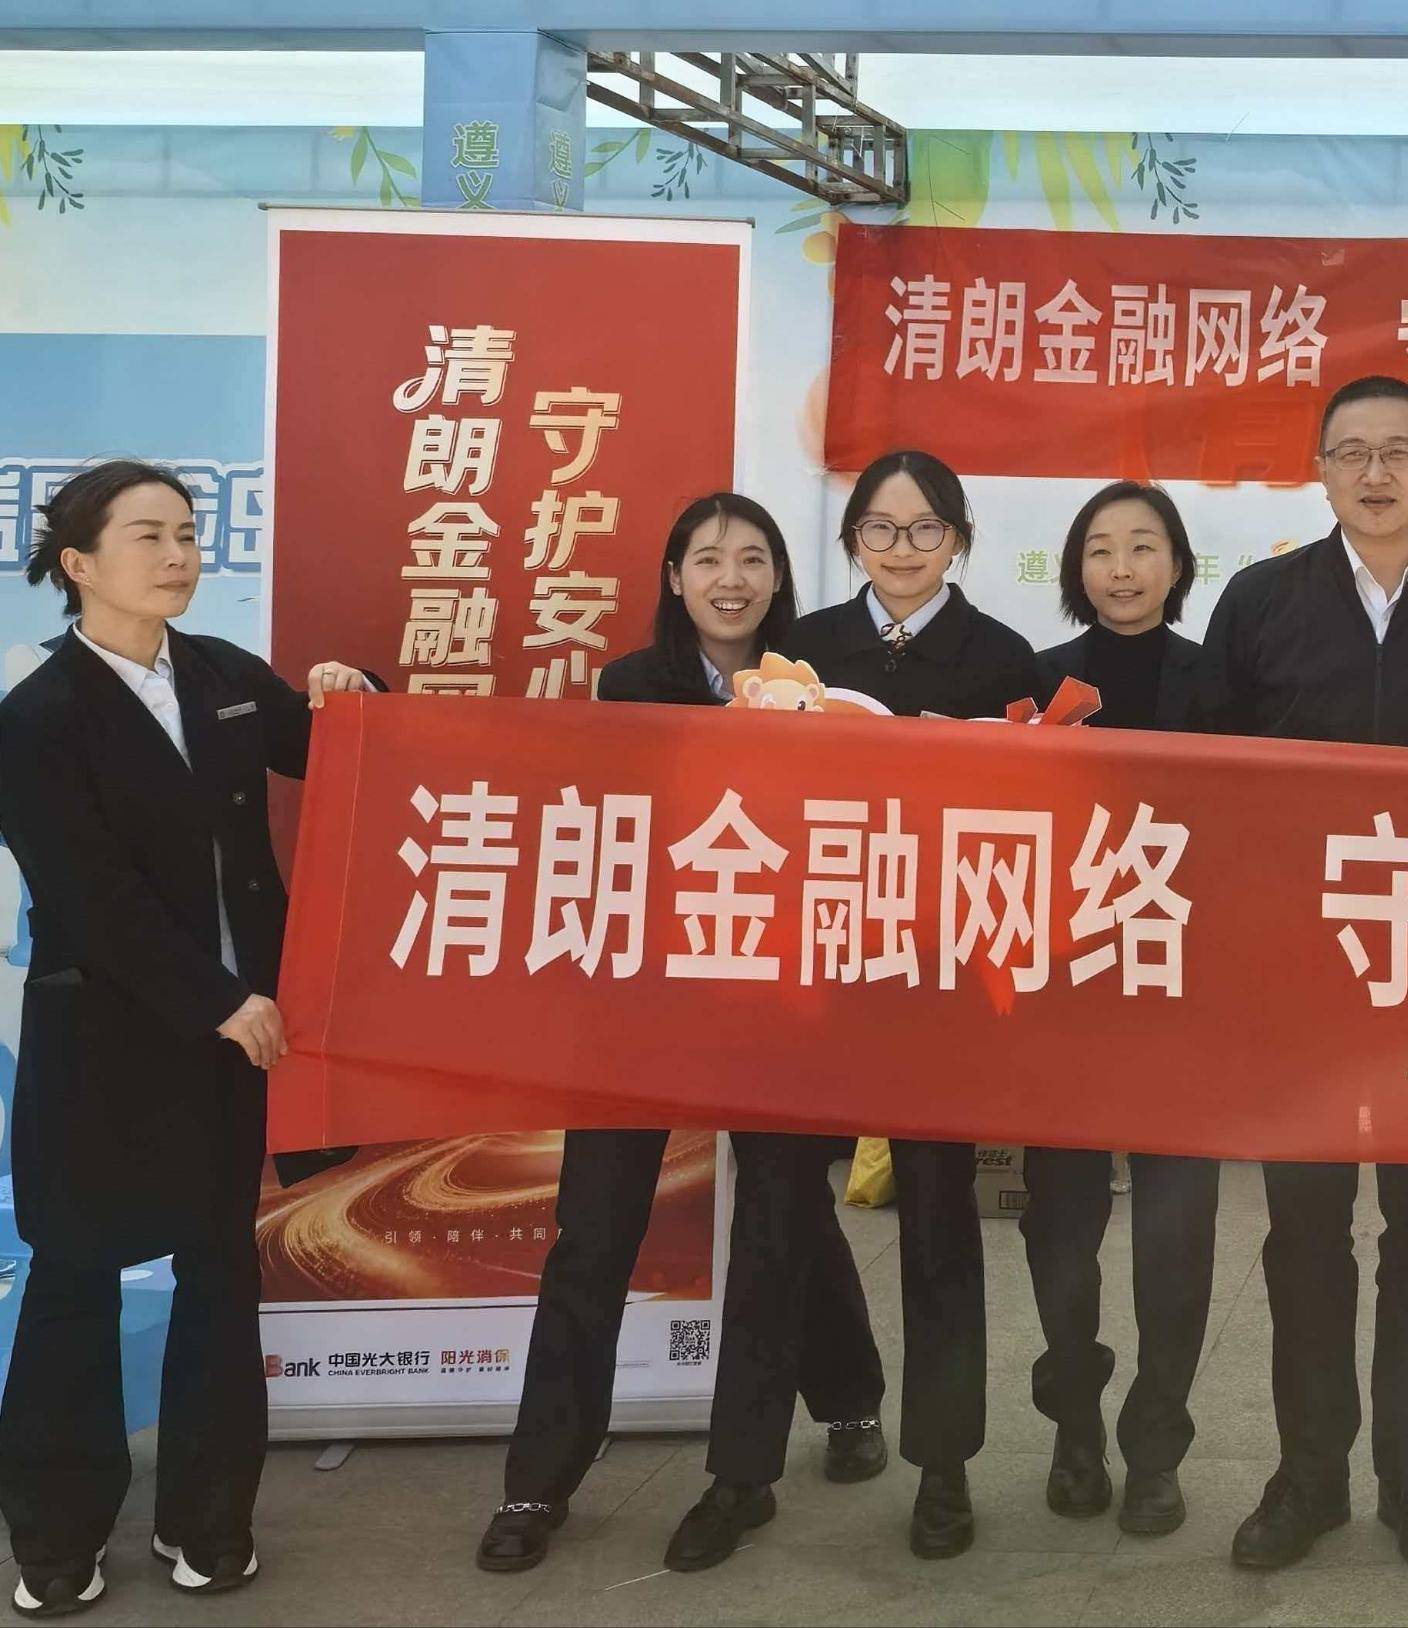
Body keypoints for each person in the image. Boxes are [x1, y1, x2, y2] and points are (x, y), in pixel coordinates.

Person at [473, 493, 891, 1578]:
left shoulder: (825, 691)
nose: (730, 579)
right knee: (593, 1228)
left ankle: (745, 1474)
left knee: (780, 1219)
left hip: (780, 1001)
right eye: (707, 559)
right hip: (644, 1000)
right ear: (674, 577)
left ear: (779, 578)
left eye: (752, 558)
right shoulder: (628, 687)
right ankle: (539, 1476)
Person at [0, 461, 373, 1618]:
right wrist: (216, 994)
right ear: (77, 562)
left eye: (188, 532)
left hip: (232, 1035)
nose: (177, 555)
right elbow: (91, 894)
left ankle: (209, 1521)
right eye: (149, 535)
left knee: (220, 1269)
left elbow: (338, 746)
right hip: (105, 1035)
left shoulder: (221, 675)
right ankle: (55, 1538)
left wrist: (353, 688)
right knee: (75, 1271)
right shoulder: (37, 714)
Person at [1198, 375, 1408, 1573]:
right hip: (1297, 970)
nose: (1377, 472)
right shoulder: (1259, 601)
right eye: (1352, 451)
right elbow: (1209, 781)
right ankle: (1308, 1470)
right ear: (1320, 469)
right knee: (1303, 1228)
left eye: (1401, 451)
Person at [779, 450, 1047, 1560]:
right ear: (853, 540)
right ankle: (834, 1405)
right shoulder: (802, 653)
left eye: (925, 527)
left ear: (959, 539)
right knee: (786, 1204)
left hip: (942, 974)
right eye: (881, 529)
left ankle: (944, 1464)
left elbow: (1028, 818)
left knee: (939, 1226)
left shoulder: (1003, 657)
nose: (902, 548)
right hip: (815, 971)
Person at [1019, 481, 1217, 1535]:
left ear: (1176, 565)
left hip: (1185, 995)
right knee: (1061, 1223)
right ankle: (1073, 1418)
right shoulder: (1037, 679)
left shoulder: (1217, 679)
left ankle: (1155, 1443)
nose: (1124, 567)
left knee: (1176, 1234)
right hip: (1067, 995)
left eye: (1145, 546)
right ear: (1077, 569)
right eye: (1102, 548)